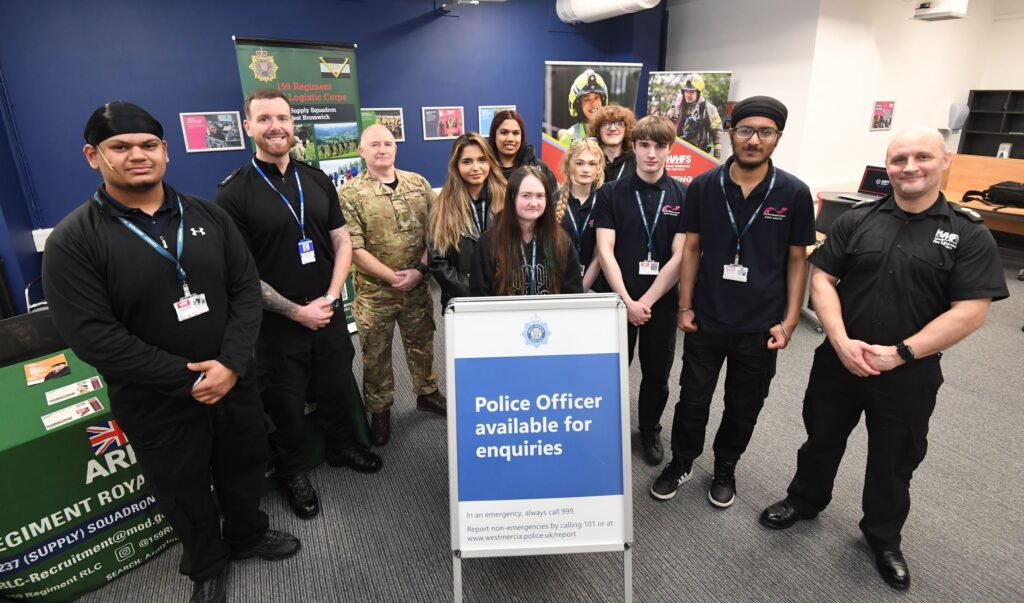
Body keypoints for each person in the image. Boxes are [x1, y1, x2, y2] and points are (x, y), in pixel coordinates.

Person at [43, 101, 299, 603]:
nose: (137, 155)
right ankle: (206, 564)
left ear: (166, 153)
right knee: (182, 488)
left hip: (235, 382)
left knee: (244, 464)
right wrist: (190, 379)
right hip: (156, 399)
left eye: (149, 145)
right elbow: (93, 335)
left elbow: (246, 290)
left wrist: (228, 365)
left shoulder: (207, 215)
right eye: (121, 147)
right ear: (93, 156)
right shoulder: (74, 240)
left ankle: (247, 535)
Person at [759, 126, 1008, 590]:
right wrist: (840, 340)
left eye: (921, 157)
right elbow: (822, 280)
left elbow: (972, 311)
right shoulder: (857, 219)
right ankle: (805, 500)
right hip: (840, 360)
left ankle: (883, 536)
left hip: (908, 372)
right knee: (821, 437)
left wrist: (902, 353)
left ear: (945, 161)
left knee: (894, 457)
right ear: (887, 167)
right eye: (898, 159)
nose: (909, 167)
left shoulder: (967, 232)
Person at [215, 89, 382, 521]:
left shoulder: (316, 179)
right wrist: (294, 311)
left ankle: (343, 447)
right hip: (276, 325)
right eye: (265, 118)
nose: (276, 127)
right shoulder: (233, 194)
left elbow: (342, 240)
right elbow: (241, 275)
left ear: (294, 125)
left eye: (284, 118)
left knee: (334, 384)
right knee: (284, 404)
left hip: (326, 311)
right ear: (248, 126)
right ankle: (292, 472)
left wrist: (329, 298)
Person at [650, 95, 815, 508]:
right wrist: (685, 306)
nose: (753, 140)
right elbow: (691, 250)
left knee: (743, 405)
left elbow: (798, 261)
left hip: (761, 325)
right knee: (693, 398)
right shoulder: (705, 186)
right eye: (745, 130)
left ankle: (726, 466)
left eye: (765, 132)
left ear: (777, 137)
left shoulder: (793, 193)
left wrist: (790, 322)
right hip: (707, 317)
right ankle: (683, 460)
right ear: (730, 133)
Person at [339, 124, 446, 446]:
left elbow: (436, 232)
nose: (382, 149)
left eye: (387, 143)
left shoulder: (419, 184)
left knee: (422, 346)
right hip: (375, 294)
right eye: (374, 144)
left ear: (395, 148)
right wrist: (392, 277)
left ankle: (427, 394)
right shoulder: (349, 194)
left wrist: (419, 269)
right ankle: (380, 411)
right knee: (375, 356)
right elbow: (353, 249)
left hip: (417, 288)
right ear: (361, 150)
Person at [594, 115, 687, 466]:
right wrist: (628, 301)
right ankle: (605, 429)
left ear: (669, 149)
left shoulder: (683, 194)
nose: (651, 153)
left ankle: (649, 429)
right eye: (644, 145)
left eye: (659, 146)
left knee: (657, 373)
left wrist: (645, 302)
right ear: (633, 147)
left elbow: (680, 256)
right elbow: (605, 250)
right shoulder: (611, 193)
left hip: (659, 304)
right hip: (618, 300)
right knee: (612, 370)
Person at [470, 166, 582, 296]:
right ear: (512, 197)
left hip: (550, 316)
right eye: (526, 196)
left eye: (540, 196)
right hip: (504, 316)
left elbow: (573, 294)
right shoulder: (487, 243)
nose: (533, 203)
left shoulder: (561, 241)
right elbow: (478, 297)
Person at [427, 133, 507, 311]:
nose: (476, 168)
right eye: (467, 161)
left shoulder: (508, 198)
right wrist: (473, 291)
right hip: (462, 298)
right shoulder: (443, 206)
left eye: (482, 160)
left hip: (503, 295)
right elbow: (438, 262)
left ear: (490, 162)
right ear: (456, 165)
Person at [556, 139, 605, 291]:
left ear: (599, 168)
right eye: (579, 163)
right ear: (568, 166)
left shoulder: (605, 202)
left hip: (595, 288)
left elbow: (600, 255)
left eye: (591, 164)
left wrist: (581, 290)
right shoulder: (552, 201)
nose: (586, 169)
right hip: (558, 288)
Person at [487, 109, 557, 190]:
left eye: (516, 133)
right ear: (494, 136)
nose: (510, 138)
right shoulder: (483, 169)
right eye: (504, 132)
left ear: (522, 137)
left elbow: (554, 199)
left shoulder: (539, 168)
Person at [667, 73, 723, 159]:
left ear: (699, 93)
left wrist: (717, 157)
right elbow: (665, 130)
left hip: (699, 155)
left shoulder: (709, 109)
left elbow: (717, 133)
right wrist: (668, 116)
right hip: (678, 155)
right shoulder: (678, 107)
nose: (688, 95)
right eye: (686, 91)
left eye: (691, 92)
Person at [557, 68, 608, 147]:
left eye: (597, 97)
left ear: (603, 101)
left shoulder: (612, 133)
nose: (593, 103)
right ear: (578, 106)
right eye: (587, 99)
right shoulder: (568, 138)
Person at [589, 104, 637, 184]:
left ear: (627, 129)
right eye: (606, 124)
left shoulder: (636, 160)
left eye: (619, 124)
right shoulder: (588, 158)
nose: (612, 128)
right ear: (598, 129)